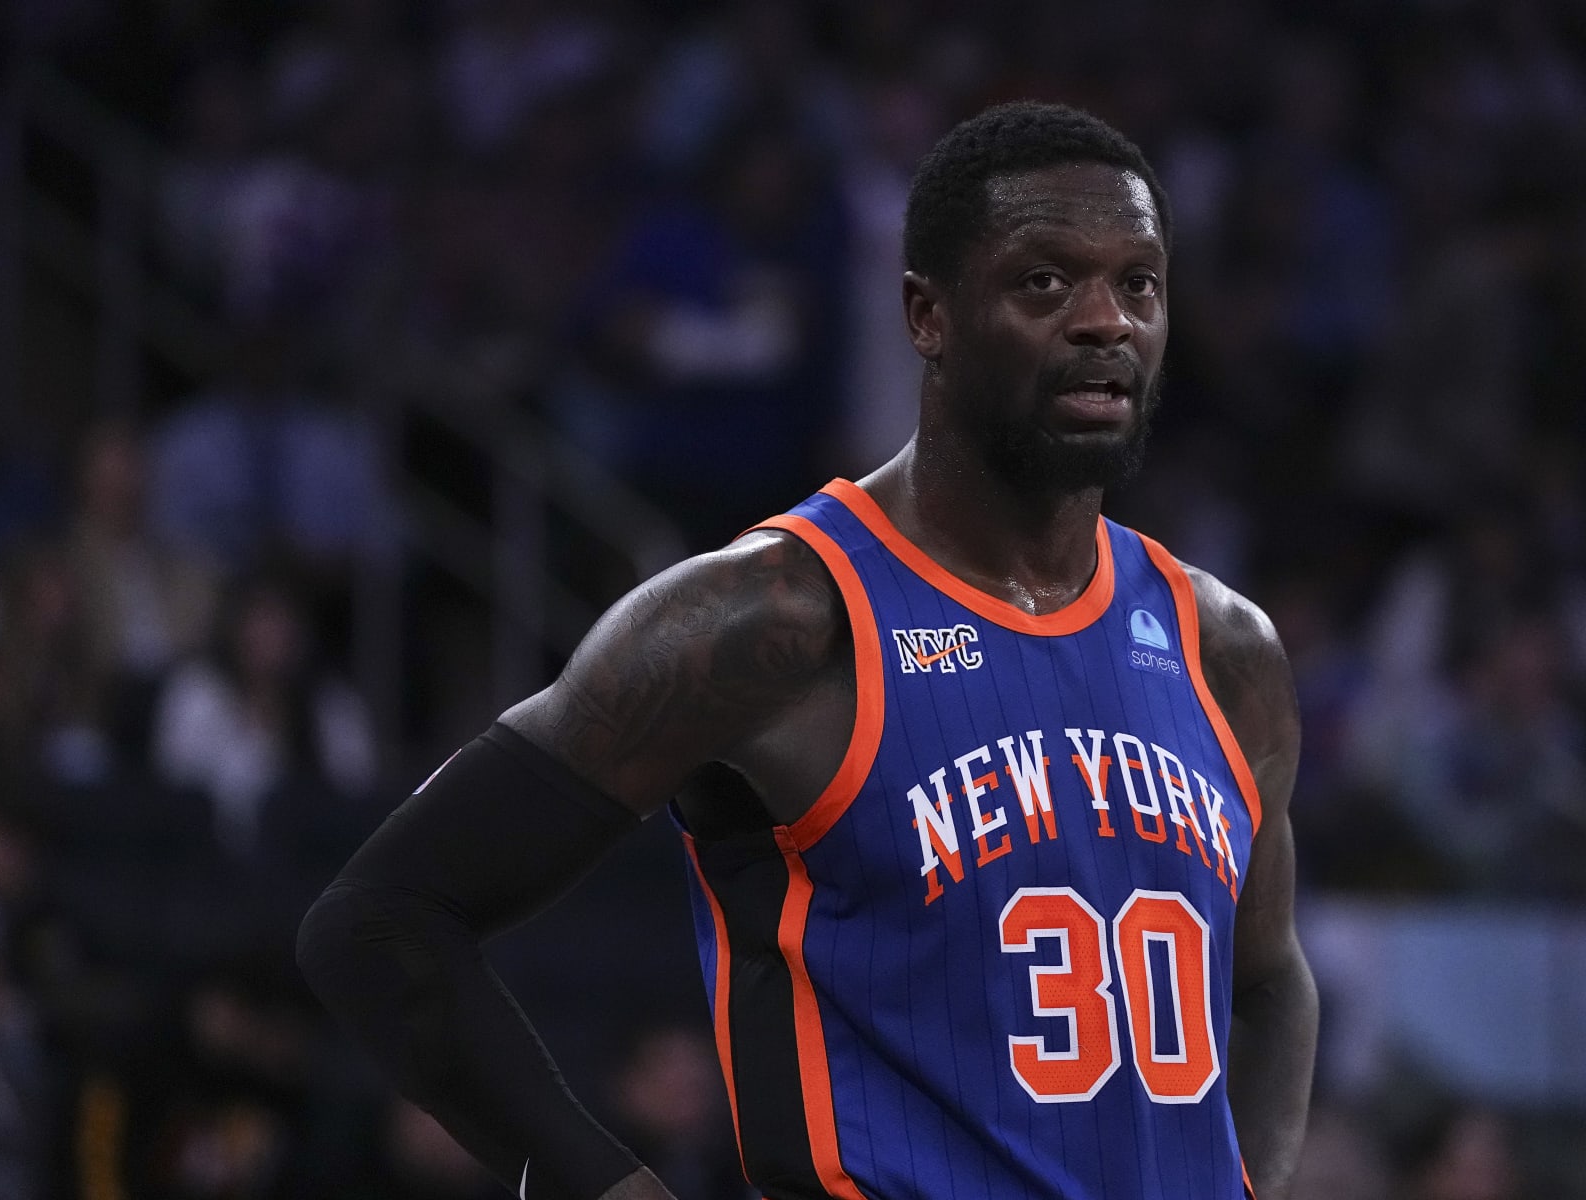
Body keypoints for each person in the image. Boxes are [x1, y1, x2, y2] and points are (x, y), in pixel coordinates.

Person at [298, 101, 1318, 1200]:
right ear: (927, 316)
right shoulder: (774, 619)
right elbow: (379, 922)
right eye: (1043, 282)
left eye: (1140, 284)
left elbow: (1270, 985)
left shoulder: (1222, 647)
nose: (1104, 321)